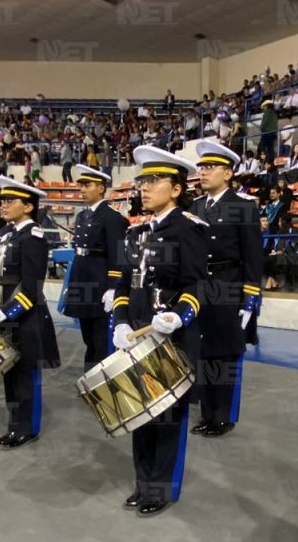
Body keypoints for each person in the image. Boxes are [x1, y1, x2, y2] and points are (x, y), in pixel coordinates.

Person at [110, 146, 211, 516]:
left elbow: (198, 285)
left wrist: (181, 315)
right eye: (142, 181)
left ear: (177, 188)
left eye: (154, 181)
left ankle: (161, 489)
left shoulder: (189, 229)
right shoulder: (135, 234)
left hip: (172, 340)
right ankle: (142, 483)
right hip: (138, 337)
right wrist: (120, 322)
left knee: (167, 417)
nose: (145, 187)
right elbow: (123, 286)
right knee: (140, 414)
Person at [0, 177, 61, 448]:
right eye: (1, 200)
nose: (2, 205)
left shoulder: (33, 237)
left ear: (27, 207)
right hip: (5, 315)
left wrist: (9, 312)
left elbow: (32, 285)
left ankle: (28, 428)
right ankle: (14, 426)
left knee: (26, 376)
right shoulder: (9, 234)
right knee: (10, 375)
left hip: (26, 317)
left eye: (9, 201)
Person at [189, 141, 263, 438]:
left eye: (210, 167)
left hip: (229, 285)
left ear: (228, 173)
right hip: (200, 287)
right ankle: (208, 413)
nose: (203, 172)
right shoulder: (195, 207)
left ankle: (223, 416)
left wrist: (250, 300)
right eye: (202, 167)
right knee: (203, 352)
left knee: (225, 355)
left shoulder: (243, 207)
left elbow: (253, 256)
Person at [63, 164, 128, 368]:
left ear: (101, 188)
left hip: (99, 281)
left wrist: (112, 287)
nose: (82, 189)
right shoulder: (82, 216)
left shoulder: (113, 218)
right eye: (81, 185)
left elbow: (117, 254)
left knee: (101, 338)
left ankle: (101, 378)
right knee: (87, 337)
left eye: (87, 185)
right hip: (82, 279)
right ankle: (90, 374)